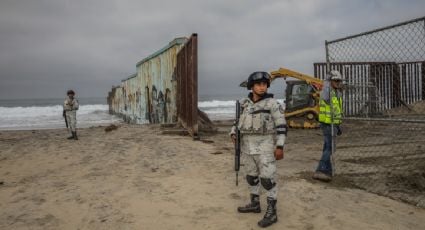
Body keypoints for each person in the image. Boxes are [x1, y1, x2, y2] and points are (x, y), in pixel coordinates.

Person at [230, 71, 287, 228]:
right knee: (251, 177)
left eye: (264, 84)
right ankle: (255, 204)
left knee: (267, 180)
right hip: (247, 147)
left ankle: (272, 212)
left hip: (265, 147)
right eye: (258, 84)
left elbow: (282, 126)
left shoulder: (272, 104)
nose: (262, 87)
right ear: (251, 86)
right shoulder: (245, 105)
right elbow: (237, 123)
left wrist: (280, 146)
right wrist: (233, 133)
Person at [312, 70, 344, 182]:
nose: (338, 82)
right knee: (330, 148)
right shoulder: (327, 92)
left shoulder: (336, 93)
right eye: (335, 80)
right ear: (330, 81)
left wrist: (338, 125)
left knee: (328, 147)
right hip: (327, 123)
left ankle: (327, 171)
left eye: (339, 81)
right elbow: (325, 97)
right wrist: (326, 80)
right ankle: (320, 170)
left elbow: (337, 110)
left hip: (334, 123)